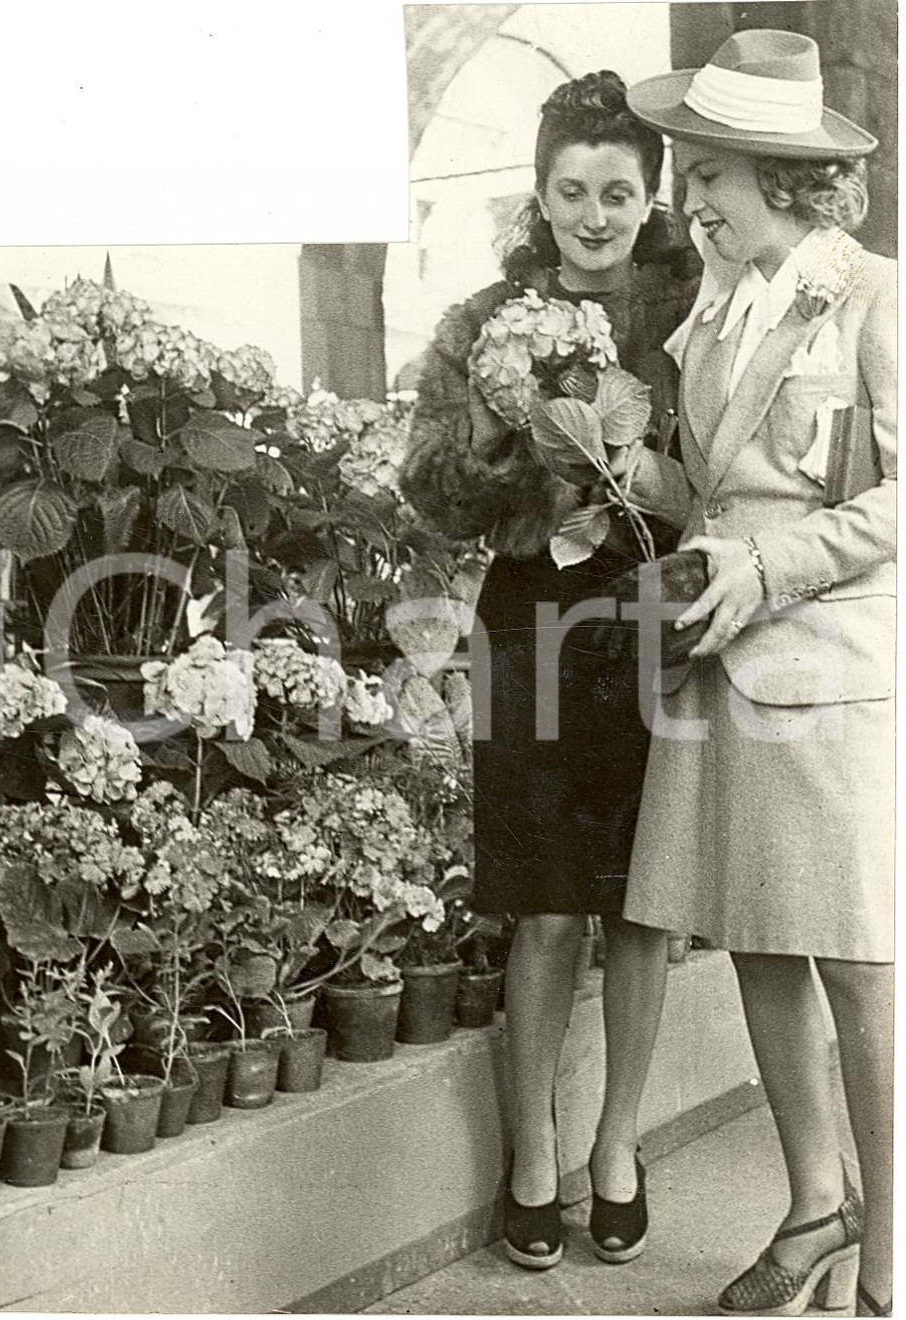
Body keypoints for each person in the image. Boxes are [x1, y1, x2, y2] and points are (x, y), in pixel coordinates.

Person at [400, 71, 698, 1270]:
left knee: (638, 900)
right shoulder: (484, 317)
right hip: (528, 616)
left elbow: (725, 478)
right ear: (537, 194)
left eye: (616, 192)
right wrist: (510, 442)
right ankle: (534, 1151)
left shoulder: (690, 309)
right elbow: (425, 486)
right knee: (543, 903)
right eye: (570, 190)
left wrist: (644, 469)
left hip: (650, 612)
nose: (593, 214)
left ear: (649, 197)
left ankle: (615, 1147)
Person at [623, 30, 894, 1317]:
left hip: (829, 669)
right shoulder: (710, 313)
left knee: (855, 962)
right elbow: (713, 487)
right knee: (757, 947)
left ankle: (890, 1262)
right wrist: (635, 481)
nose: (690, 201)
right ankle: (812, 1207)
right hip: (719, 661)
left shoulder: (877, 299)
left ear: (780, 177)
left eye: (708, 175)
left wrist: (773, 567)